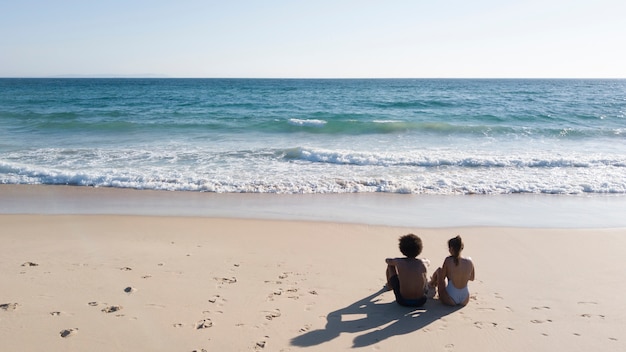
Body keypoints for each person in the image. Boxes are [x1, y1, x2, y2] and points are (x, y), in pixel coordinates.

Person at [429, 235, 475, 306]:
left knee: (439, 270)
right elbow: (472, 278)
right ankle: (431, 283)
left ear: (451, 249)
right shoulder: (469, 261)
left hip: (451, 298)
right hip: (465, 298)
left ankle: (431, 284)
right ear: (461, 248)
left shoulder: (448, 260)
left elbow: (442, 278)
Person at [385, 233, 428, 307]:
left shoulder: (399, 261)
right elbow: (427, 261)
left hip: (403, 301)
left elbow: (387, 260)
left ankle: (389, 286)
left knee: (390, 266)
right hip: (421, 301)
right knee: (423, 275)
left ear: (402, 249)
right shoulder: (423, 262)